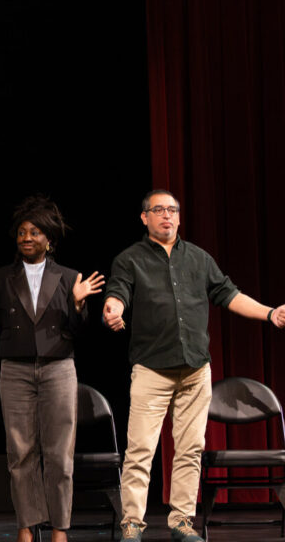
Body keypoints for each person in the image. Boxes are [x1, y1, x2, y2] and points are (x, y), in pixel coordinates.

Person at [103, 190, 285, 542]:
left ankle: (181, 522)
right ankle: (131, 524)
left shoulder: (199, 259)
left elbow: (229, 295)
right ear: (145, 218)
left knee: (189, 449)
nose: (166, 215)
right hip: (151, 369)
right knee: (141, 449)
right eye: (158, 210)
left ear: (179, 217)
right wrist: (113, 308)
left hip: (194, 370)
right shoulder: (130, 259)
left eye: (172, 210)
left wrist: (269, 313)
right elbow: (118, 292)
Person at [0, 196, 104, 542]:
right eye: (22, 232)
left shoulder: (70, 277)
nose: (27, 238)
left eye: (35, 232)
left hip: (58, 368)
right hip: (15, 370)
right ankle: (26, 526)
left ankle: (59, 528)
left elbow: (78, 330)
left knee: (59, 453)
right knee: (20, 452)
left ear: (49, 240)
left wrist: (78, 303)